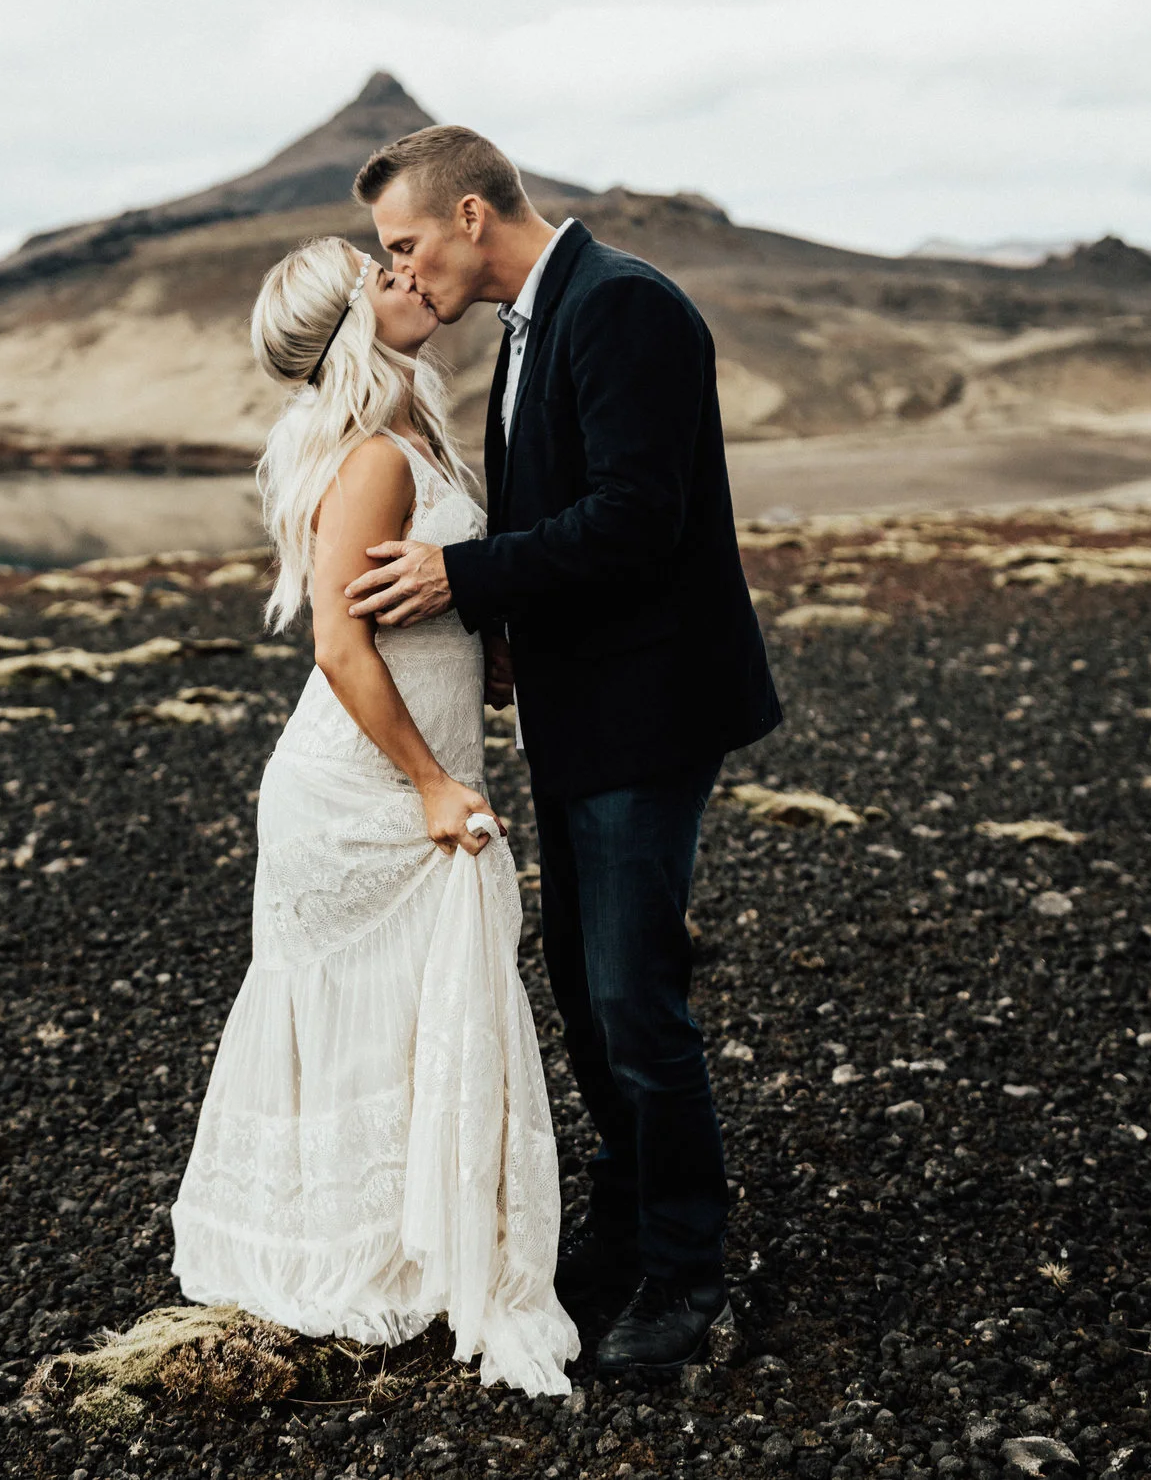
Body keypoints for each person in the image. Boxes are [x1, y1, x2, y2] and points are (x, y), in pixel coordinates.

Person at [345, 125, 782, 1371]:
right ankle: (626, 1225)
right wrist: (507, 635)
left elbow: (642, 519)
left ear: (472, 215)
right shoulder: (535, 323)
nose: (402, 270)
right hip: (580, 708)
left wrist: (459, 575)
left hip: (648, 710)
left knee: (636, 1000)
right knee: (592, 1001)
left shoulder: (624, 307)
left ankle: (687, 1276)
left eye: (406, 242)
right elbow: (562, 510)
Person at [168, 236, 578, 1396]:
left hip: (404, 759)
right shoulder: (372, 461)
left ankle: (401, 1236)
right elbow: (339, 645)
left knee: (411, 1010)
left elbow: (413, 603)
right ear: (353, 323)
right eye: (379, 275)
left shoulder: (413, 432)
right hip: (359, 787)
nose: (409, 274)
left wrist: (482, 643)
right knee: (388, 1000)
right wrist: (434, 782)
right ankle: (360, 1250)